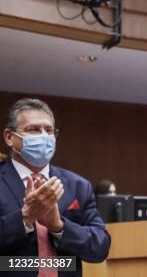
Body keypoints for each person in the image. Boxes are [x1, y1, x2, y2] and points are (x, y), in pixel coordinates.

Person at [0, 98, 111, 276]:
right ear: (9, 137)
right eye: (33, 130)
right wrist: (25, 217)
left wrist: (58, 226)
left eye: (49, 130)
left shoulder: (78, 186)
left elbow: (100, 248)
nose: (44, 136)